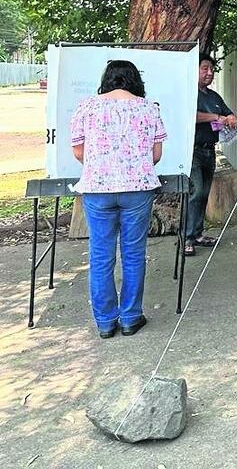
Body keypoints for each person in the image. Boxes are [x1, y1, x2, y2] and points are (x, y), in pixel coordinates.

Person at [70, 60, 166, 338]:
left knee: (101, 256)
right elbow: (156, 155)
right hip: (137, 188)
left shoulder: (86, 107)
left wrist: (103, 165)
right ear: (135, 80)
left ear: (107, 80)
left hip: (98, 189)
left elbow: (78, 152)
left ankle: (105, 322)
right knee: (134, 254)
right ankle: (130, 318)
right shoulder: (149, 108)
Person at [186, 53, 237, 255]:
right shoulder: (188, 92)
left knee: (204, 194)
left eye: (212, 69)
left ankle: (198, 233)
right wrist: (215, 117)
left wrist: (231, 117)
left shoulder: (213, 96)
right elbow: (190, 115)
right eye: (204, 68)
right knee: (196, 192)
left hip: (210, 150)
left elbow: (227, 113)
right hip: (192, 151)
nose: (209, 73)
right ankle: (187, 238)